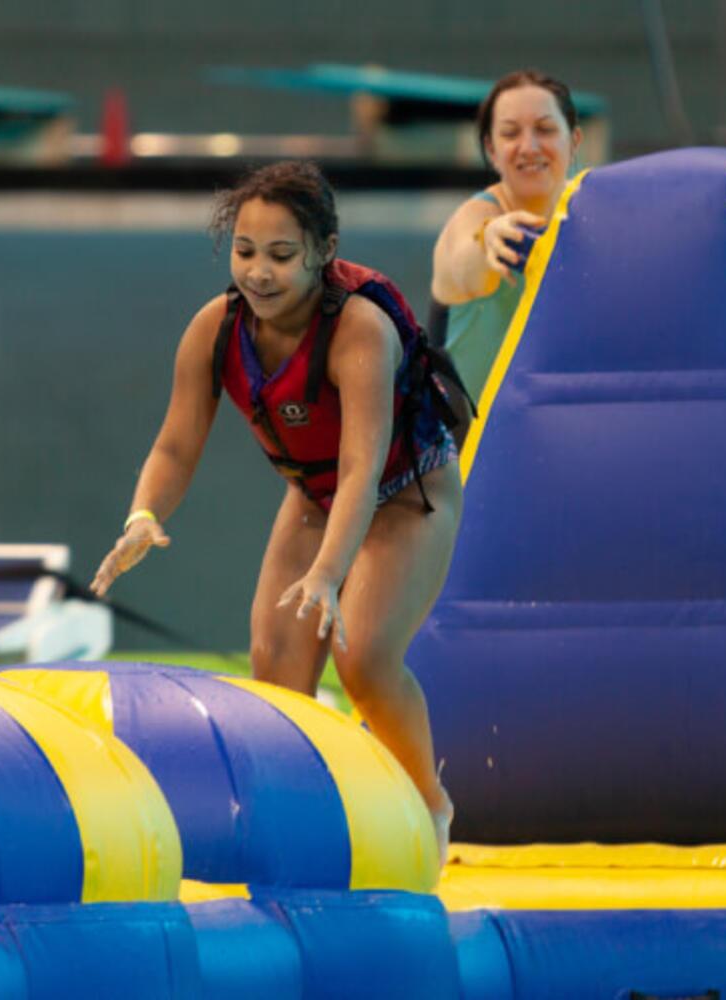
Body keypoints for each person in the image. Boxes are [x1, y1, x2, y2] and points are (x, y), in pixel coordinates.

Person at [92, 160, 466, 855]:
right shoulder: (215, 330)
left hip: (409, 491)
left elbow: (361, 467)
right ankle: (306, 822)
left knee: (366, 656)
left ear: (325, 251)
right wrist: (143, 515)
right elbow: (175, 446)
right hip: (316, 495)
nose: (259, 272)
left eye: (281, 255)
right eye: (244, 251)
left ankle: (429, 807)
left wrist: (328, 575)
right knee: (277, 669)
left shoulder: (359, 331)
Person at [432, 70, 582, 389]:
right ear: (491, 150)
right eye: (511, 134)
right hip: (477, 435)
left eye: (545, 129)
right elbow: (464, 264)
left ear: (574, 142)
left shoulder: (591, 212)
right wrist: (488, 240)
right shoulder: (473, 217)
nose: (528, 147)